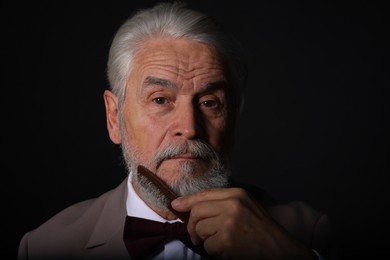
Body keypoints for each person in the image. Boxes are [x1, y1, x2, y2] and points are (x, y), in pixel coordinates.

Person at [17, 1, 333, 259]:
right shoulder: (45, 247)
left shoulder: (305, 234)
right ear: (115, 118)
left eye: (210, 102)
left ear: (233, 116)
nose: (189, 127)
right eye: (160, 99)